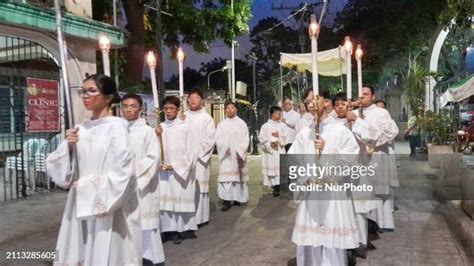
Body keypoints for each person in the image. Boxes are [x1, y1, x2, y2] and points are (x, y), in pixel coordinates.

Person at [46, 74, 141, 265]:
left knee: (106, 251)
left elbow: (124, 171)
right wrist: (68, 146)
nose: (85, 96)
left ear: (108, 97)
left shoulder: (117, 128)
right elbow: (62, 172)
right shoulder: (81, 129)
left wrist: (91, 188)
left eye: (92, 91)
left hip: (108, 203)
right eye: (83, 91)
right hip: (80, 202)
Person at [288, 88, 360, 266]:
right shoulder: (305, 133)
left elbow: (351, 159)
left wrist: (327, 150)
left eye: (315, 100)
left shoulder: (340, 131)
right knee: (311, 237)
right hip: (312, 194)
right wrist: (305, 178)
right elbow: (293, 160)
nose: (310, 104)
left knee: (330, 238)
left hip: (332, 194)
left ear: (327, 102)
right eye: (308, 101)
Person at [346, 85, 399, 248]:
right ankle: (364, 224)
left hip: (377, 155)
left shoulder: (381, 112)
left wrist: (375, 142)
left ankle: (379, 222)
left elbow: (392, 131)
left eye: (366, 94)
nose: (362, 97)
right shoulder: (353, 113)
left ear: (373, 96)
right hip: (360, 158)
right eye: (360, 94)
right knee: (362, 192)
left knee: (378, 192)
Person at [122, 93, 164, 264]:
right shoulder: (118, 131)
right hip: (122, 186)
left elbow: (153, 158)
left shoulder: (147, 132)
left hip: (142, 186)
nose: (128, 109)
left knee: (145, 224)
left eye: (132, 106)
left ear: (140, 108)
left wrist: (133, 174)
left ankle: (151, 257)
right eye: (125, 106)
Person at [156, 96, 196, 244]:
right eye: (165, 108)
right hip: (164, 171)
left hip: (179, 171)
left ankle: (178, 230)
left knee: (177, 201)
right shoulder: (160, 127)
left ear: (177, 109)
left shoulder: (185, 127)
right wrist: (156, 136)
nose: (168, 111)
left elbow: (191, 149)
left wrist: (178, 165)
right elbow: (155, 149)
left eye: (171, 108)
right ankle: (166, 230)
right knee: (165, 202)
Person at [184, 89, 216, 227]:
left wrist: (196, 153)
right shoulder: (183, 117)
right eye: (190, 98)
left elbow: (210, 139)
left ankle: (201, 217)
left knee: (201, 188)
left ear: (201, 101)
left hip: (200, 160)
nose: (192, 100)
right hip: (185, 160)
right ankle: (188, 218)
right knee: (186, 188)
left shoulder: (207, 119)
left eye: (195, 98)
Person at [215, 101, 250, 211]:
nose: (230, 109)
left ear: (236, 109)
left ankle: (237, 198)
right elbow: (218, 139)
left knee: (237, 179)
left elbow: (245, 139)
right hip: (226, 156)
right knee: (226, 180)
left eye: (232, 107)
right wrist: (225, 148)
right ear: (225, 110)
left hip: (237, 156)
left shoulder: (241, 124)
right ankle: (226, 201)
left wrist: (238, 151)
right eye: (228, 108)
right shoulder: (221, 124)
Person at [258, 106, 287, 197]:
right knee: (272, 171)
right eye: (278, 113)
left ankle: (279, 186)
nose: (280, 115)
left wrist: (280, 136)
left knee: (279, 170)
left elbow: (287, 138)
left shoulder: (282, 125)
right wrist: (270, 144)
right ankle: (275, 187)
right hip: (270, 153)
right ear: (273, 114)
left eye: (280, 113)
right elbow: (262, 139)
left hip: (279, 150)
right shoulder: (265, 126)